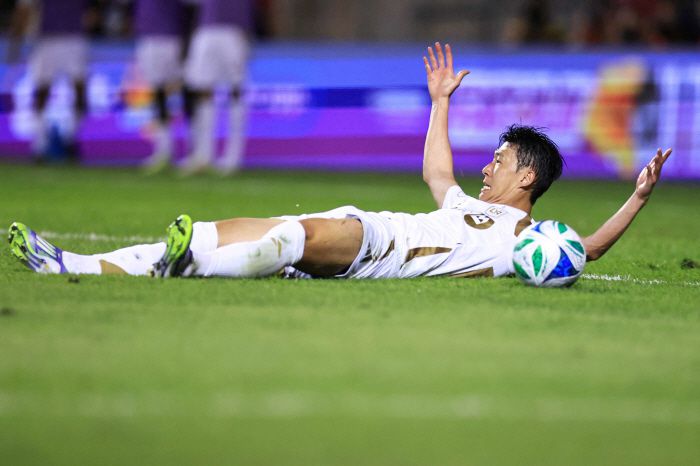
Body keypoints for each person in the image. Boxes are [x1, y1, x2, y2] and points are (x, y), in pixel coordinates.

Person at [8, 43, 672, 281]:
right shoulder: (468, 206)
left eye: (499, 161)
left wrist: (635, 200)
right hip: (371, 224)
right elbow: (436, 174)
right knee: (229, 230)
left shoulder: (525, 239)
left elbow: (584, 248)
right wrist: (439, 102)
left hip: (381, 250)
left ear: (528, 175)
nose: (485, 168)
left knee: (290, 237)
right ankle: (70, 263)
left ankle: (194, 262)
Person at [9, 0, 89, 160]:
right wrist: (16, 41)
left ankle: (71, 139)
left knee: (79, 90)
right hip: (46, 39)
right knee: (42, 91)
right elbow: (24, 8)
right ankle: (39, 144)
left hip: (73, 38)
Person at [180, 0, 253, 175]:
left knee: (236, 91)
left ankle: (233, 157)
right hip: (207, 28)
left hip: (234, 30)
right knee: (203, 90)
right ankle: (203, 154)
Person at [134, 0, 188, 172]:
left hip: (172, 37)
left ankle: (195, 150)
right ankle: (163, 149)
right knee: (157, 94)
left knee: (185, 91)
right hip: (148, 36)